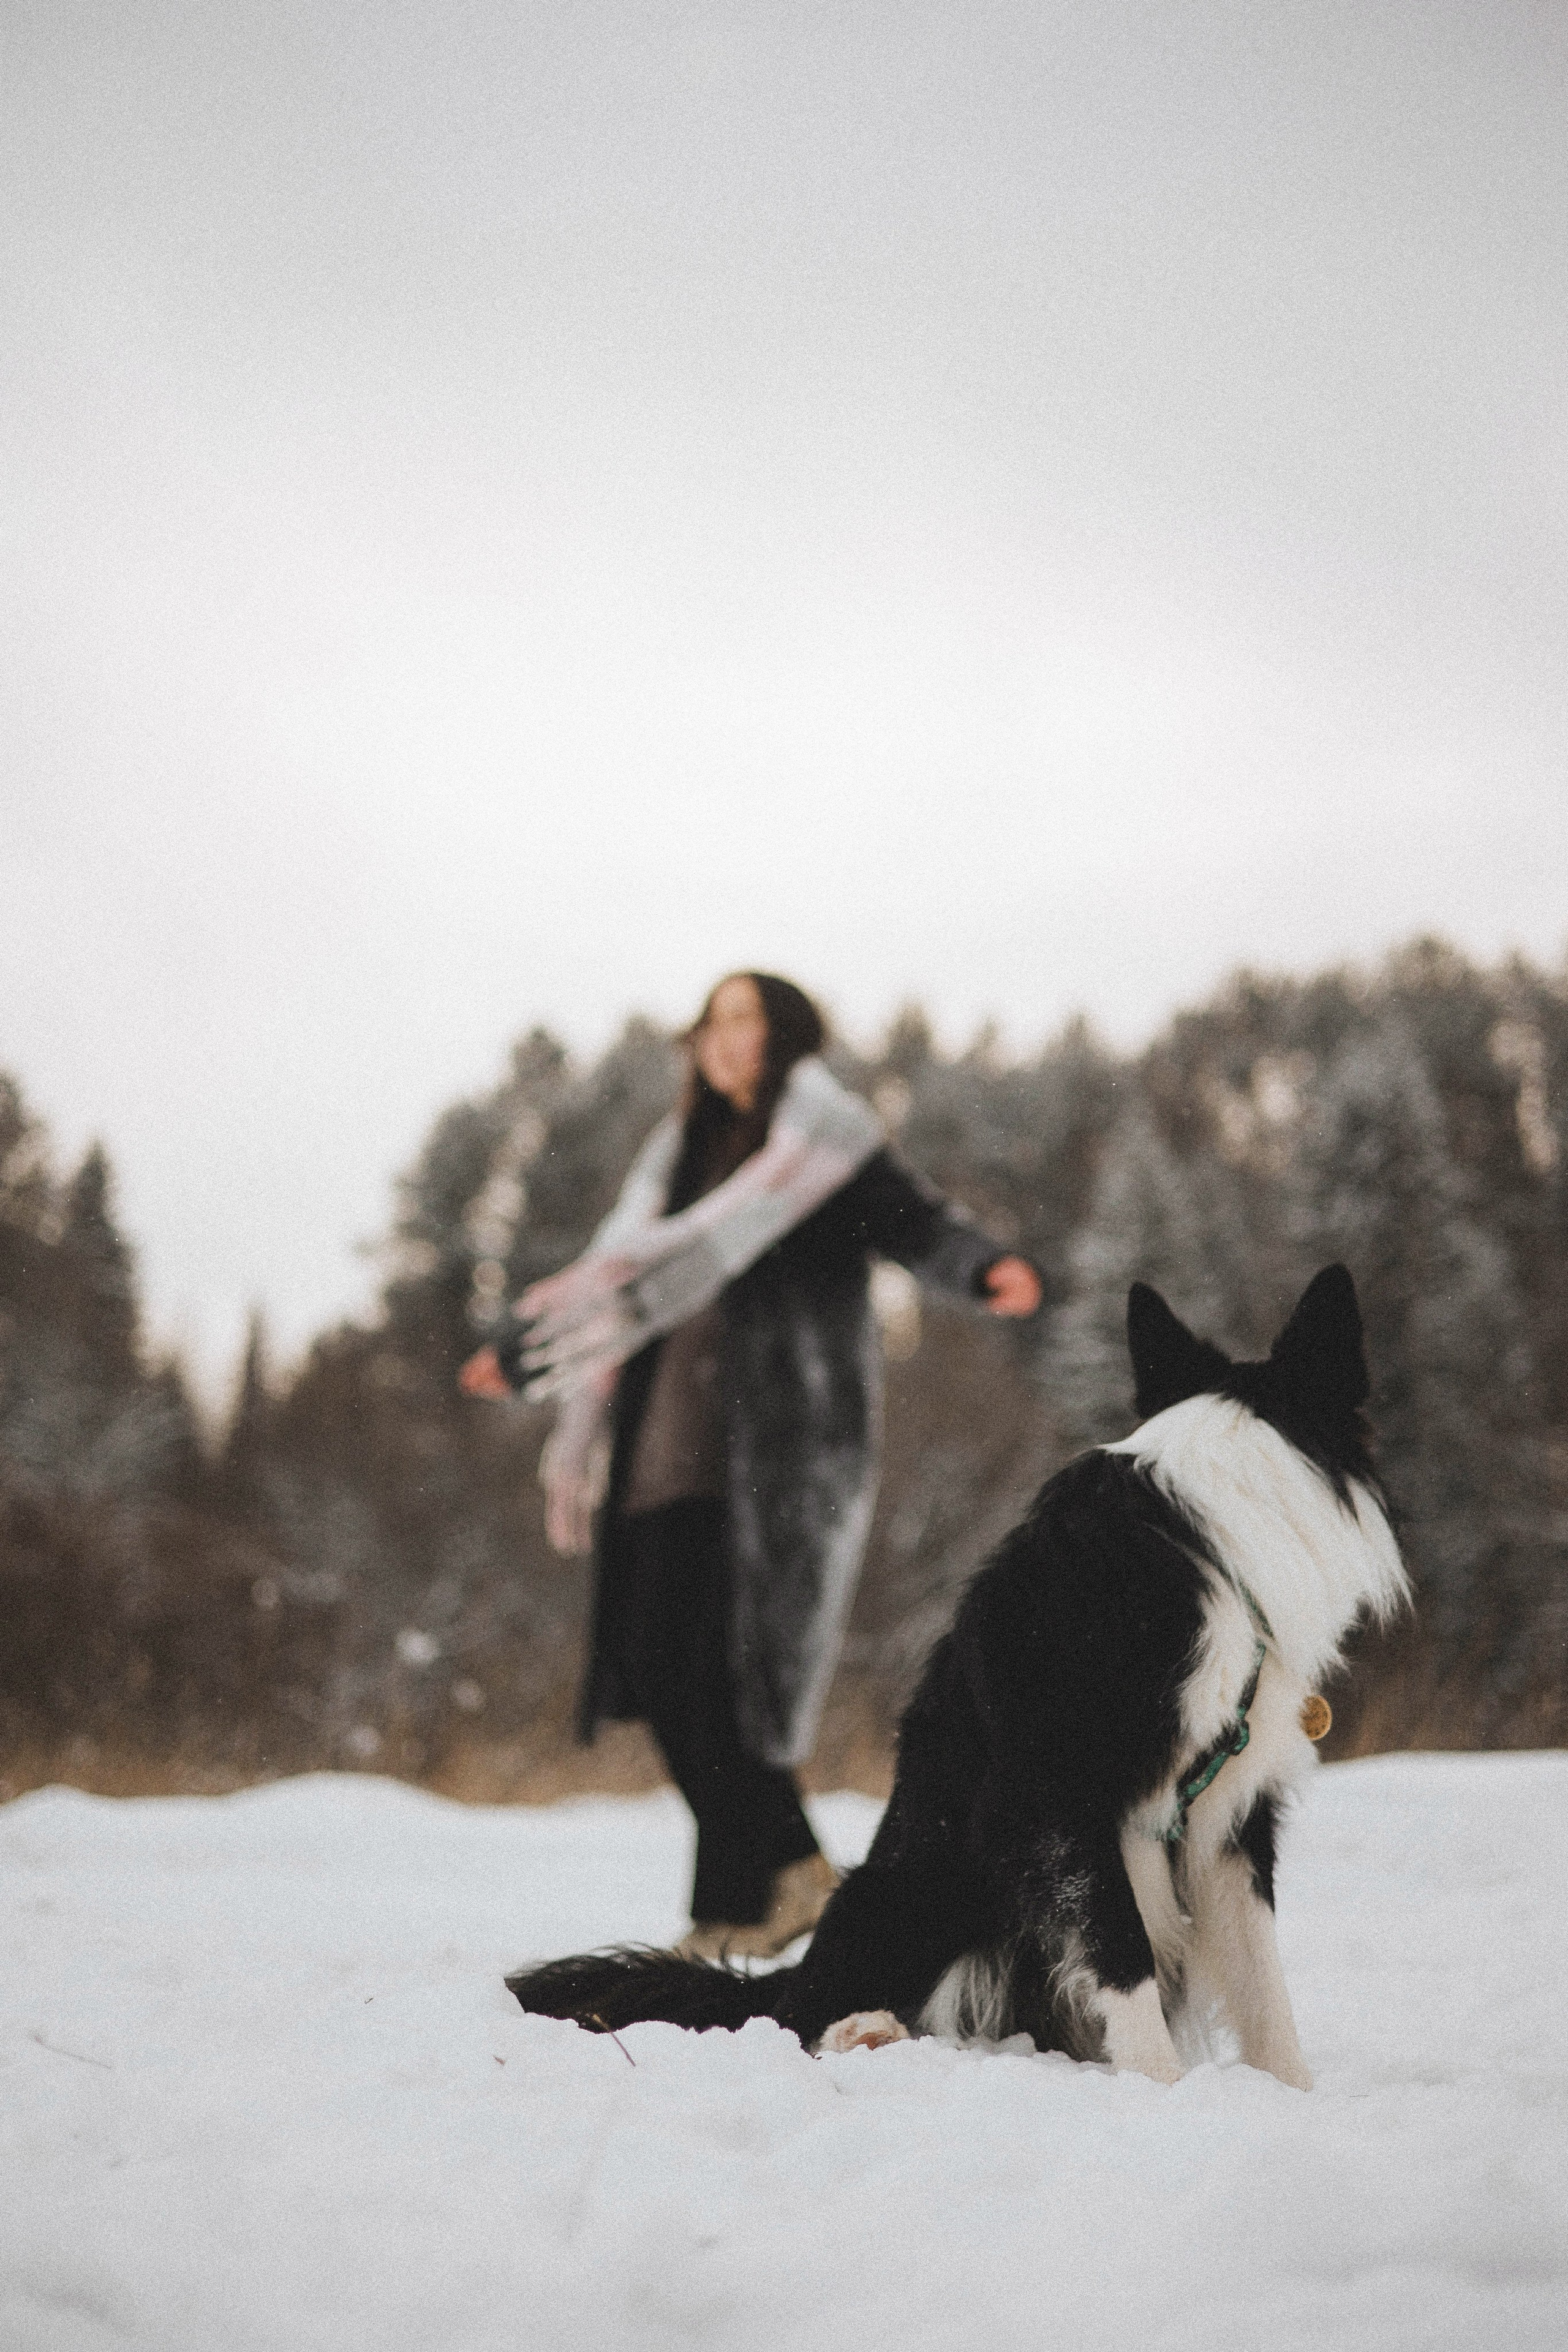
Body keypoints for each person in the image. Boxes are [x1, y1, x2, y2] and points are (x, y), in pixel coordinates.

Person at [461, 973, 1042, 1957]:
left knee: (727, 1677)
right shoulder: (677, 1158)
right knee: (659, 1666)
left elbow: (917, 1222)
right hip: (660, 1442)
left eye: (749, 1021)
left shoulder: (826, 1150)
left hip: (772, 1457)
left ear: (788, 1039)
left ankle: (739, 1903)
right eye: (716, 1022)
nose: (728, 1039)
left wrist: (984, 1266)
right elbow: (614, 1282)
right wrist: (521, 1354)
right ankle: (794, 1872)